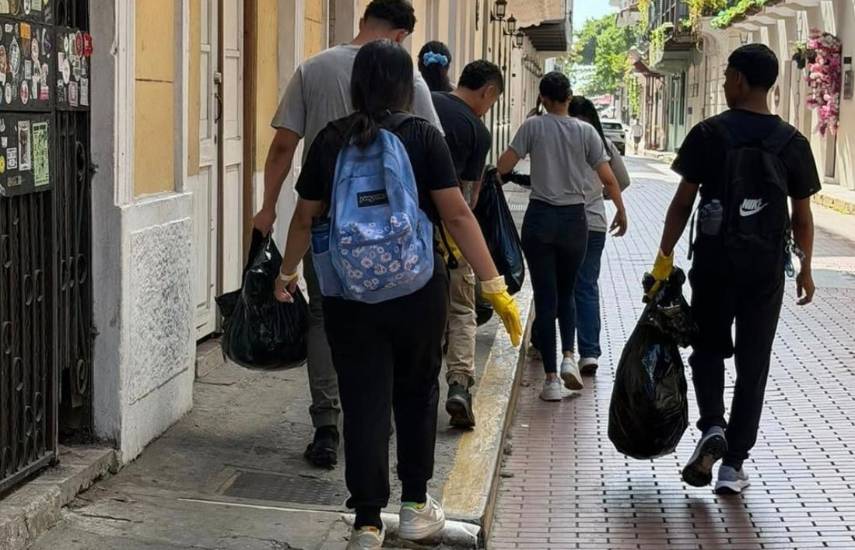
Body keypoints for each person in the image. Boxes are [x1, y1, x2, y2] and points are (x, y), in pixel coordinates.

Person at [272, 41, 522, 550]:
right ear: (407, 87)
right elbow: (457, 215)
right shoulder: (423, 138)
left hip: (347, 296)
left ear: (357, 85)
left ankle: (366, 521)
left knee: (363, 400)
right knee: (415, 393)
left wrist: (288, 272)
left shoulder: (330, 140)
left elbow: (304, 217)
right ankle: (413, 508)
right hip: (416, 289)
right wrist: (494, 285)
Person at [254, 0, 443, 470]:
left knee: (322, 319)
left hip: (327, 229)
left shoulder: (312, 69)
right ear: (399, 37)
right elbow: (430, 146)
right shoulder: (410, 79)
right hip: (395, 237)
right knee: (390, 320)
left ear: (363, 21)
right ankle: (381, 421)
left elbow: (282, 145)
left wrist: (265, 207)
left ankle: (326, 425)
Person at [647, 44, 819, 494]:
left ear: (740, 79)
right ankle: (733, 463)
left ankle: (711, 427)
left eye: (726, 76)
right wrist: (806, 269)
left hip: (715, 262)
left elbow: (682, 203)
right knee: (753, 361)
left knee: (706, 350)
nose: (724, 84)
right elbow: (802, 216)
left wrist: (664, 260)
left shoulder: (708, 134)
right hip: (765, 267)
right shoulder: (793, 142)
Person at [496, 72, 628, 402]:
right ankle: (571, 355)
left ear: (542, 98)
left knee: (546, 296)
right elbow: (610, 179)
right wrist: (622, 213)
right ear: (569, 97)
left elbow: (503, 165)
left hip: (540, 219)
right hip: (575, 222)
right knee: (568, 292)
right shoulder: (585, 132)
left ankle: (552, 379)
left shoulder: (533, 127)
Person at [430, 59, 503, 428]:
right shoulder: (477, 130)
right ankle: (459, 384)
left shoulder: (425, 104)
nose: (487, 108)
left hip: (412, 229)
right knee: (461, 310)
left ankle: (415, 390)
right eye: (491, 102)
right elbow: (467, 200)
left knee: (422, 312)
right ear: (487, 92)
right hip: (452, 233)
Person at [568, 96, 631, 376]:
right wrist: (601, 196)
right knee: (587, 286)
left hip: (563, 219)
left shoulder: (563, 138)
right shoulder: (602, 143)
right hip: (593, 222)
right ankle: (589, 352)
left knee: (559, 286)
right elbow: (622, 180)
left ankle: (554, 348)